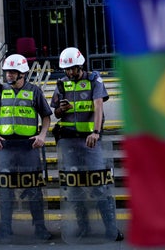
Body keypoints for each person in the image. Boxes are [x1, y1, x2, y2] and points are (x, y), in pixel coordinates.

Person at [51, 47, 124, 241]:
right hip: (69, 141)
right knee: (75, 186)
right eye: (66, 69)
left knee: (98, 183)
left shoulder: (93, 80)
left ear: (80, 65)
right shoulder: (61, 84)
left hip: (90, 141)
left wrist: (96, 132)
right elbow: (56, 114)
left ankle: (111, 228)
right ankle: (83, 227)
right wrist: (60, 109)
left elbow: (98, 106)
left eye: (72, 69)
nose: (69, 73)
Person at [0, 53, 53, 241]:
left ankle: (40, 228)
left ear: (22, 73)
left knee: (33, 187)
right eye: (7, 71)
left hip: (28, 147)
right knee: (5, 189)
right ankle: (4, 228)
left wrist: (42, 135)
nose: (8, 75)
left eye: (13, 72)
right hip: (5, 146)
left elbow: (46, 116)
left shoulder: (35, 91)